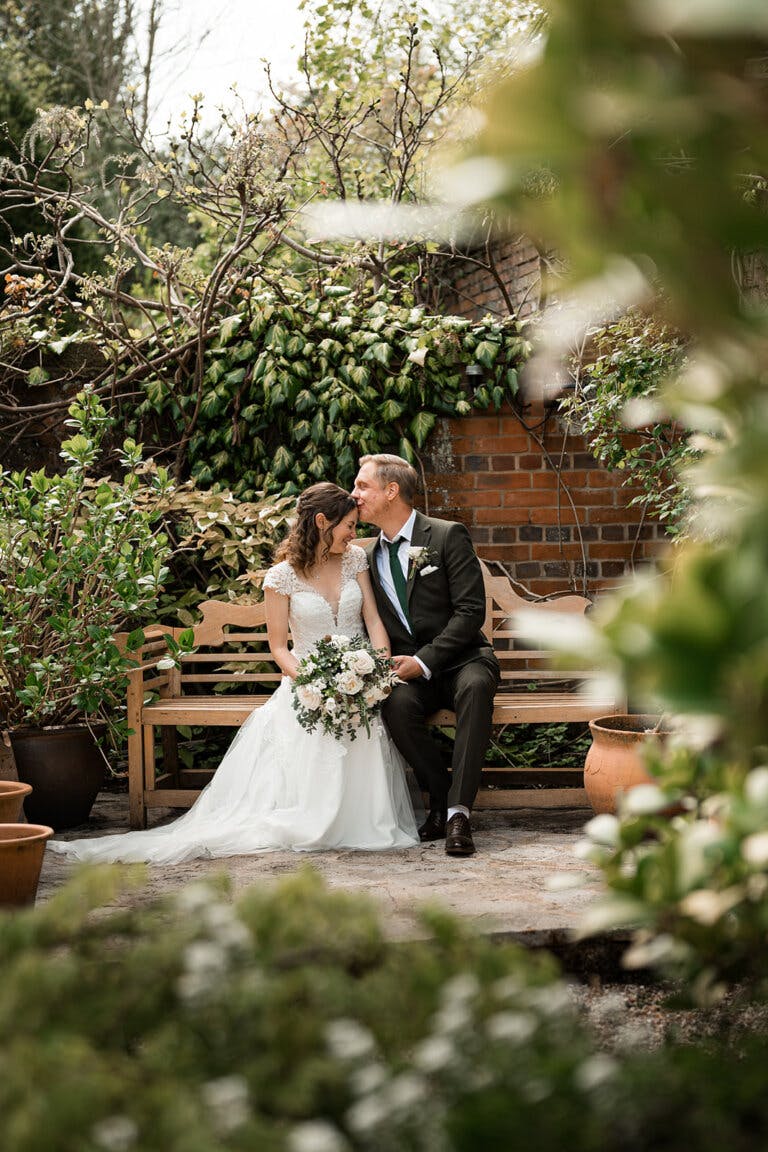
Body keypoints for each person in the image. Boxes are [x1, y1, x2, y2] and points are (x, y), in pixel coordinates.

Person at [48, 483, 419, 864]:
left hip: (359, 683)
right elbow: (278, 647)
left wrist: (376, 670)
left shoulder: (355, 560)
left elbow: (373, 620)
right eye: (349, 526)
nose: (354, 534)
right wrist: (316, 684)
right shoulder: (281, 577)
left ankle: (361, 819)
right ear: (322, 521)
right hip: (308, 684)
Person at [352, 454, 500, 856]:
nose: (355, 495)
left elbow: (471, 612)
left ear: (391, 491)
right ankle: (438, 798)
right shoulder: (364, 557)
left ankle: (458, 814)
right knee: (394, 705)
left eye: (363, 486)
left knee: (474, 689)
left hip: (464, 659)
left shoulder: (447, 535)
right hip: (409, 670)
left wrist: (425, 660)